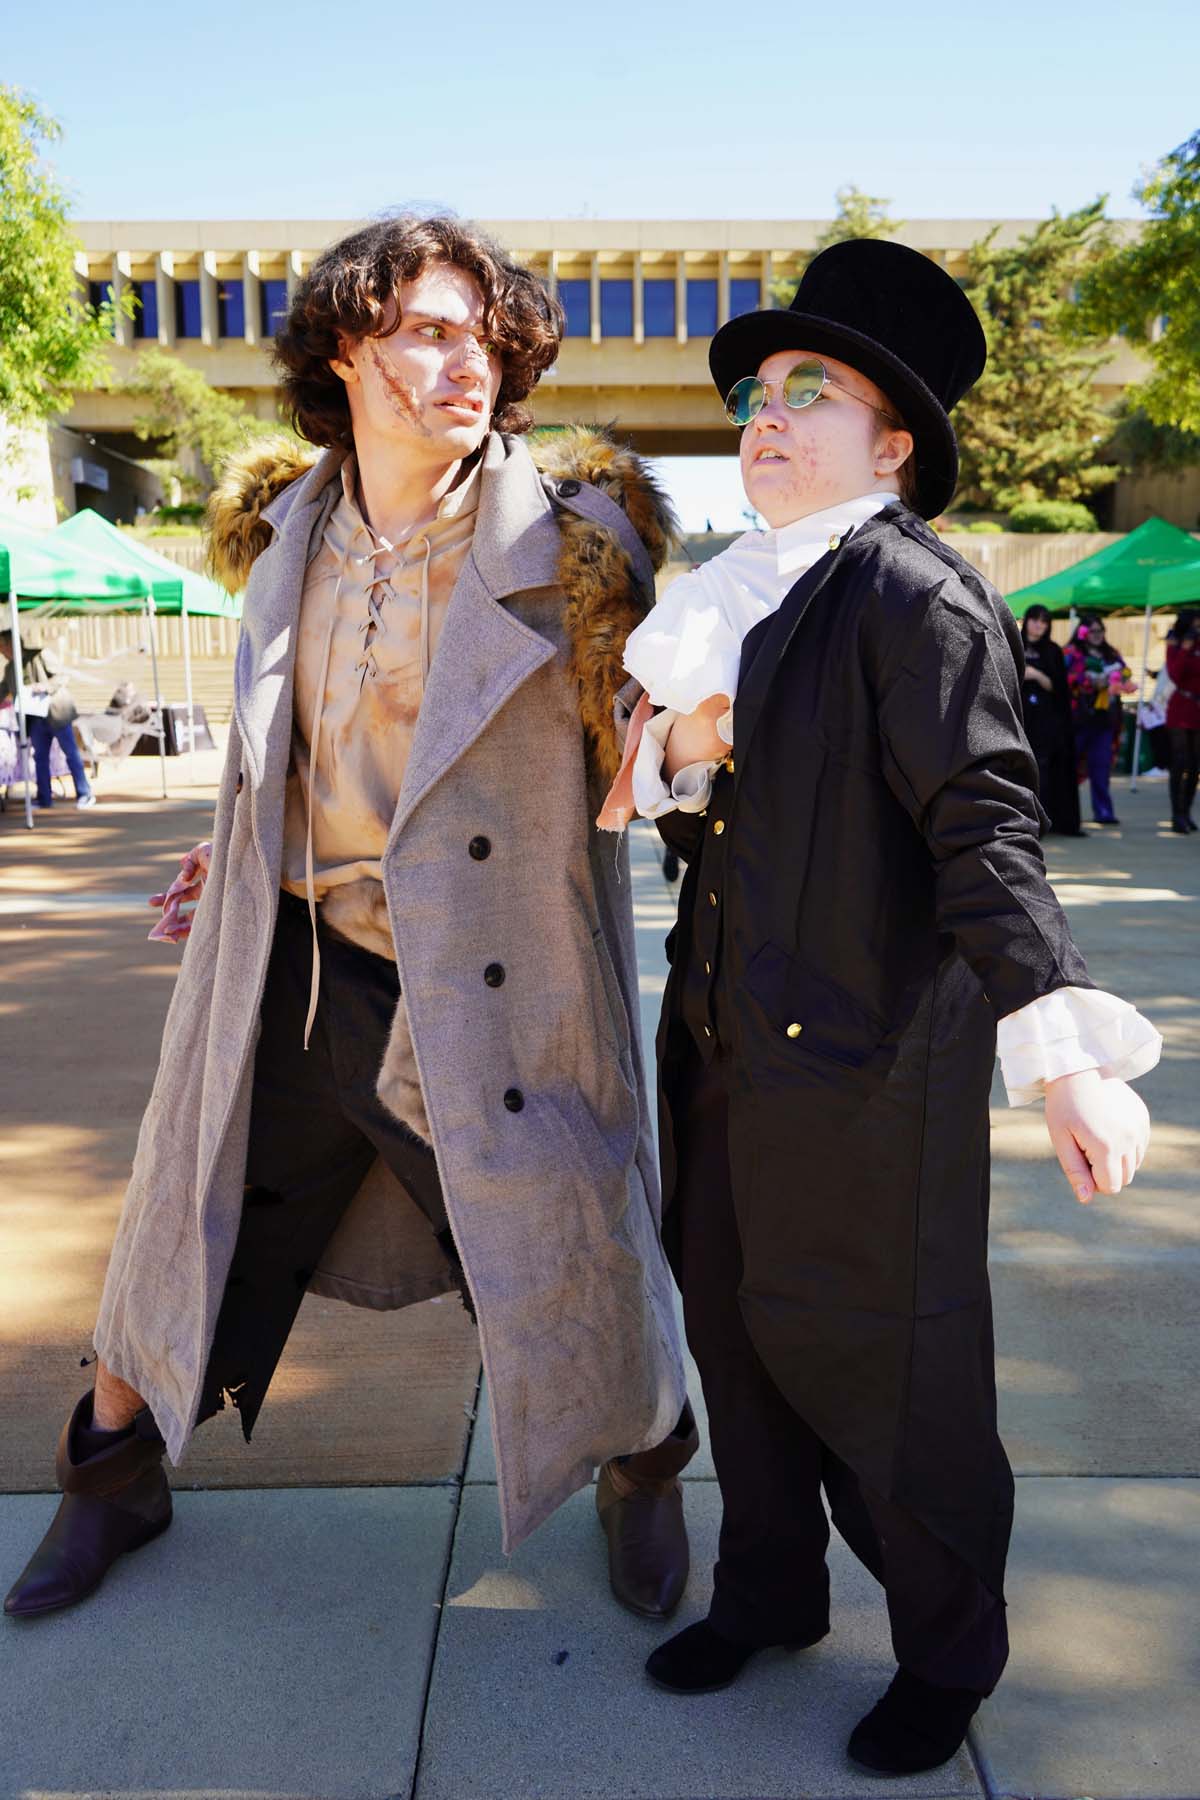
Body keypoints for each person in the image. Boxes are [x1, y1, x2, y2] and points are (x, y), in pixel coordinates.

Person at [5, 215, 699, 1629]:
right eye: (428, 333)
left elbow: (656, 749)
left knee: (571, 1233)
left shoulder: (581, 554)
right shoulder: (283, 538)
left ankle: (643, 1464)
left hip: (494, 971)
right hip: (289, 956)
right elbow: (288, 757)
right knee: (180, 1209)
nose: (470, 363)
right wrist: (236, 861)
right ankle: (111, 1472)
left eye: (486, 338)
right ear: (342, 347)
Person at [600, 240, 1159, 1775]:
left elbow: (987, 824)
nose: (763, 416)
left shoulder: (916, 596)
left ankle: (949, 1651)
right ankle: (769, 1594)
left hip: (863, 1075)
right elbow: (689, 807)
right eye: (754, 396)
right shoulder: (734, 596)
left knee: (893, 1377)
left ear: (891, 442)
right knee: (741, 1344)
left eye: (810, 392)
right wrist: (690, 749)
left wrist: (1061, 1053)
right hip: (720, 1057)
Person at [0, 629, 95, 810]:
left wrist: (45, 686)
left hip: (56, 712)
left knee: (71, 752)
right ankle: (44, 797)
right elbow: (3, 690)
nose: (1, 652)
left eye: (2, 646)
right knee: (40, 757)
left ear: (11, 644)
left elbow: (61, 676)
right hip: (35, 718)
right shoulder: (10, 668)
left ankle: (85, 793)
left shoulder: (40, 655)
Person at [1064, 616, 1135, 826]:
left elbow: (1124, 672)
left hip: (1104, 719)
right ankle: (1065, 812)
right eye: (1093, 631)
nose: (1098, 635)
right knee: (1069, 767)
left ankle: (1104, 811)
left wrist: (1122, 679)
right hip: (1078, 718)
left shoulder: (1111, 653)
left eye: (1101, 630)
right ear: (1083, 632)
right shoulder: (1071, 652)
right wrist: (1091, 681)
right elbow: (1067, 679)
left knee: (1101, 767)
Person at [1019, 605, 1081, 835]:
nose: (1039, 626)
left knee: (1042, 770)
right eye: (1035, 620)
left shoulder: (1053, 650)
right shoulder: (1013, 643)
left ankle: (1039, 821)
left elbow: (1059, 688)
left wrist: (1036, 675)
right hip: (1019, 718)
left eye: (1044, 622)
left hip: (1045, 721)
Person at [1165, 607, 1200, 833]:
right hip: (1180, 709)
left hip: (1197, 709)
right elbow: (1175, 675)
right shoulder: (1175, 646)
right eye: (1196, 625)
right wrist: (1185, 650)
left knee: (1195, 765)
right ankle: (1176, 814)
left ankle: (1186, 811)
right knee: (1179, 762)